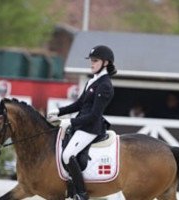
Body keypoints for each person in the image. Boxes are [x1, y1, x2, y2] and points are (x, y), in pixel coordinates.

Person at [47, 45, 117, 200]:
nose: (91, 64)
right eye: (91, 61)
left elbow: (94, 115)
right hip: (81, 124)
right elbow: (79, 105)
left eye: (95, 61)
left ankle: (81, 194)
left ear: (105, 63)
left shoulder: (105, 85)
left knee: (67, 155)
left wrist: (70, 122)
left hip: (91, 128)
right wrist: (59, 111)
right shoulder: (92, 81)